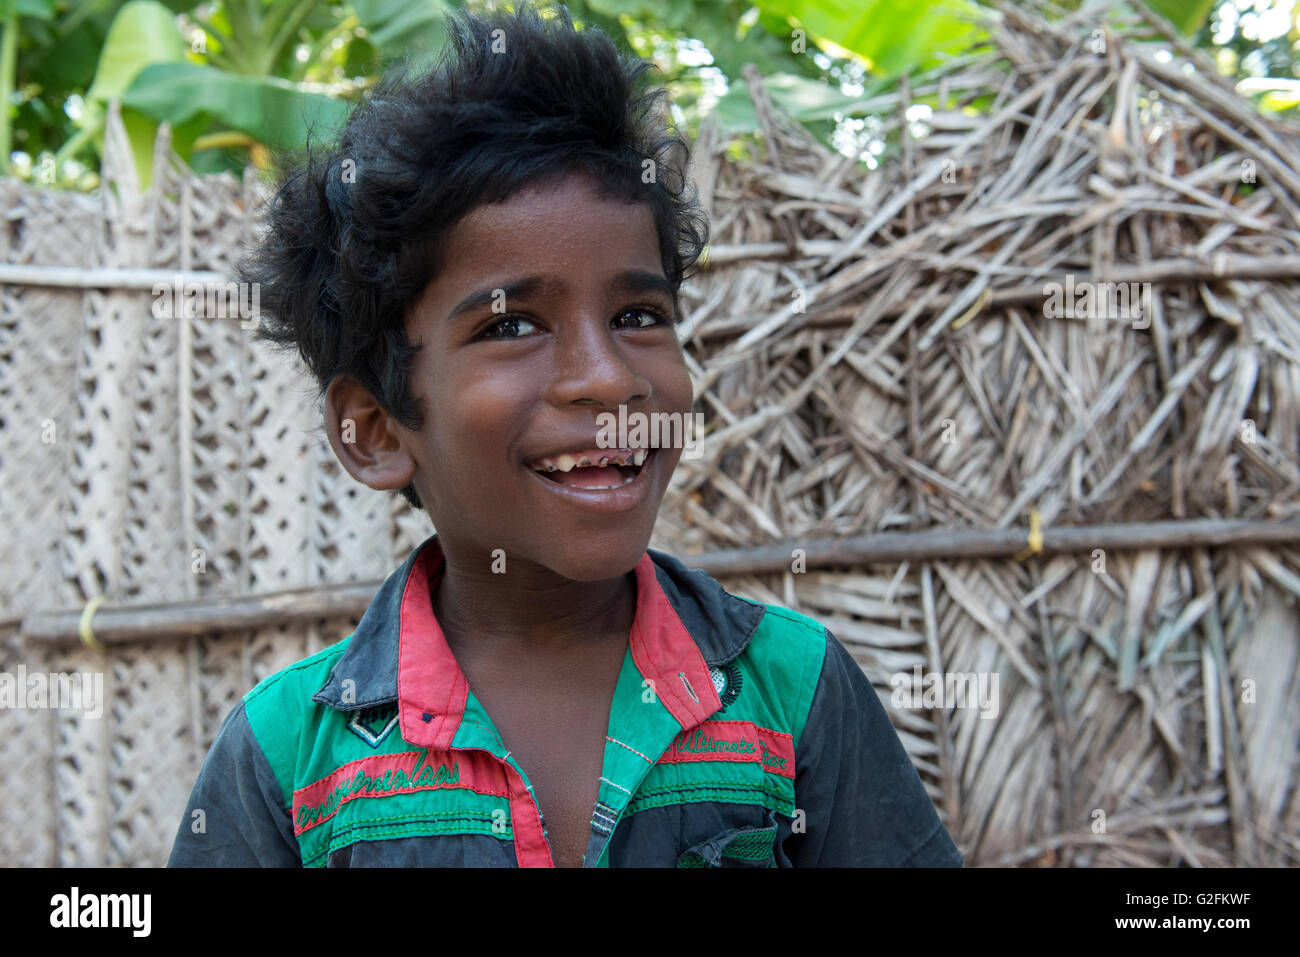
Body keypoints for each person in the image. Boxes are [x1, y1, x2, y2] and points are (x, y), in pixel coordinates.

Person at [167, 1, 963, 868]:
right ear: (375, 428)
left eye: (637, 313)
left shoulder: (791, 689)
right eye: (512, 327)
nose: (609, 377)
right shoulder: (289, 758)